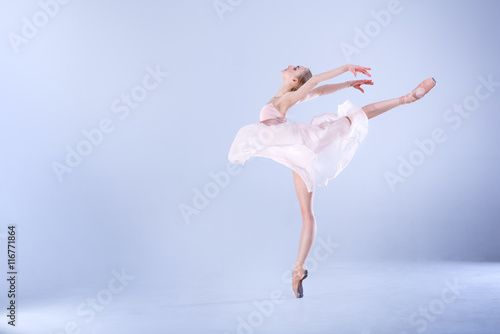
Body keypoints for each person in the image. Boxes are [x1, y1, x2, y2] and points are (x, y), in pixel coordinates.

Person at [227, 64, 436, 298]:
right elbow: (317, 91)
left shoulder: (281, 102)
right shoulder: (284, 96)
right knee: (307, 214)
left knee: (357, 116)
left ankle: (407, 98)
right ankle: (298, 268)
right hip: (297, 152)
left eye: (295, 68)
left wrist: (346, 69)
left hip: (303, 141)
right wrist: (348, 84)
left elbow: (314, 83)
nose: (290, 66)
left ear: (295, 81)